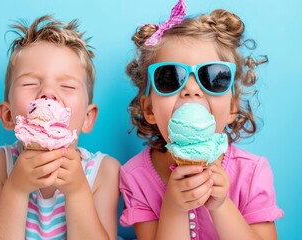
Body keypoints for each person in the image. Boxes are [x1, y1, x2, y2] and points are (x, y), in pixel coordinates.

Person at [119, 1, 283, 239]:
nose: (192, 89)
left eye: (214, 77)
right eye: (170, 78)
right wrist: (174, 208)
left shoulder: (252, 172)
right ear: (149, 109)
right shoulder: (135, 176)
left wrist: (222, 205)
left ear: (232, 107)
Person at [0, 15, 120, 240]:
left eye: (68, 85)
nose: (48, 92)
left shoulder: (104, 172)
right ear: (8, 115)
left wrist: (77, 191)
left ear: (88, 118)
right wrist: (16, 188)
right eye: (30, 83)